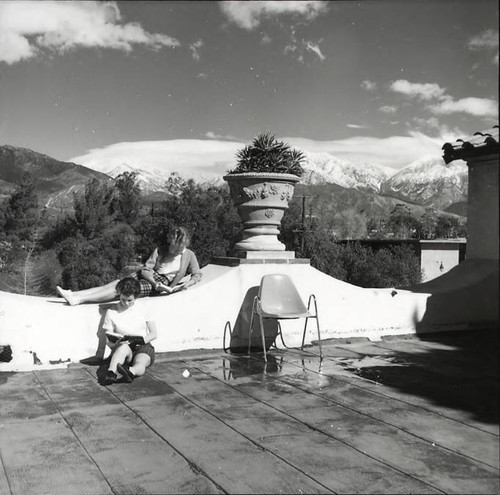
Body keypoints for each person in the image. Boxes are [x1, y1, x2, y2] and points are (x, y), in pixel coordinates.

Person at [56, 226, 202, 305]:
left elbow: (197, 274)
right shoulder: (160, 250)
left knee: (121, 290)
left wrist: (188, 283)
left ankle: (81, 300)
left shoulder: (189, 255)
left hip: (162, 282)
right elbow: (146, 269)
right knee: (113, 284)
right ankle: (74, 294)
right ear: (170, 241)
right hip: (150, 277)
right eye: (173, 246)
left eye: (178, 248)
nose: (175, 250)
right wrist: (154, 282)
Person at [102, 277, 157, 384]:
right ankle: (111, 373)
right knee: (122, 348)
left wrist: (140, 341)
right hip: (125, 345)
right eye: (123, 299)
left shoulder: (144, 308)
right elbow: (108, 340)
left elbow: (154, 333)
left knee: (141, 362)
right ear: (119, 295)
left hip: (143, 345)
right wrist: (115, 342)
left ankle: (131, 372)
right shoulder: (112, 311)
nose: (126, 303)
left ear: (136, 297)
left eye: (130, 300)